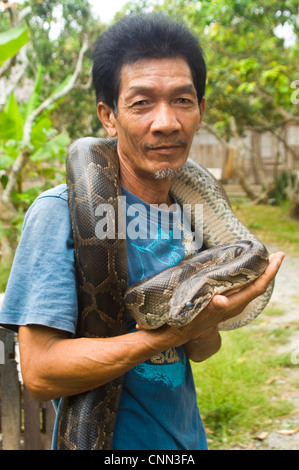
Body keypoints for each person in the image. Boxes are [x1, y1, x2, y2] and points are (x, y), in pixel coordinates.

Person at [0, 14, 284, 450]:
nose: (166, 121)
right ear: (108, 117)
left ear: (200, 111)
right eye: (142, 102)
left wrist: (204, 321)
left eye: (183, 101)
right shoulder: (59, 212)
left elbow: (199, 351)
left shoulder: (187, 216)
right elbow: (40, 373)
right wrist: (172, 331)